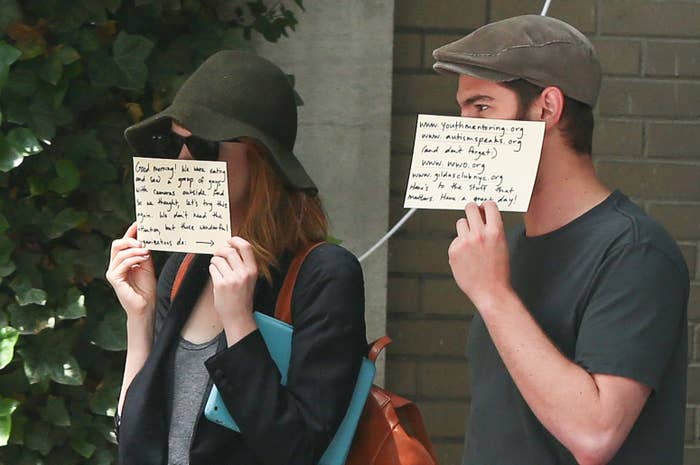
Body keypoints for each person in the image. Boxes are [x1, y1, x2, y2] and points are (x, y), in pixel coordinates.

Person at [431, 15, 689, 465]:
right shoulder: (507, 248)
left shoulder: (635, 251)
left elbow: (595, 435)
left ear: (547, 108)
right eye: (462, 109)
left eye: (482, 107)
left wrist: (493, 295)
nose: (465, 127)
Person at [105, 51, 367, 465]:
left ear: (259, 157)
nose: (185, 160)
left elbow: (296, 451)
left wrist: (240, 325)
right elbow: (136, 447)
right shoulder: (185, 265)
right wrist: (140, 319)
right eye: (175, 142)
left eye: (204, 144)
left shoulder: (325, 275)